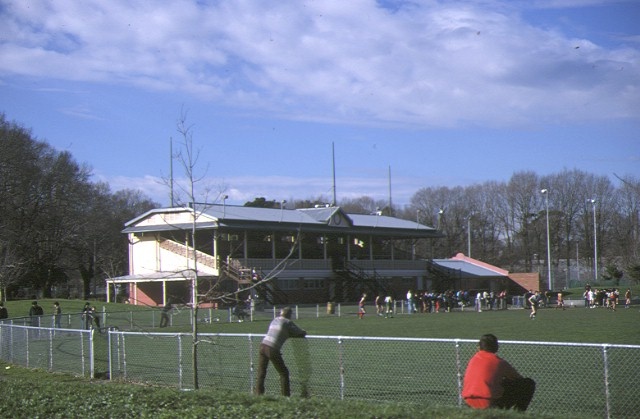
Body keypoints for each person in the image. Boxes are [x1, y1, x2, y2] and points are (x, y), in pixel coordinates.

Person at [462, 334, 535, 411]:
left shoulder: (473, 359)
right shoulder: (499, 362)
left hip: (468, 401)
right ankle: (518, 413)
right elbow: (518, 378)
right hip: (488, 402)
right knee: (528, 383)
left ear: (479, 347)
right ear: (496, 347)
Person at [255, 307, 307, 397]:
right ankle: (285, 396)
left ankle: (258, 393)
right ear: (289, 315)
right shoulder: (287, 322)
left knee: (261, 371)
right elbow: (299, 332)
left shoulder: (275, 320)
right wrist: (303, 332)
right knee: (283, 373)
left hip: (263, 345)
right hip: (272, 348)